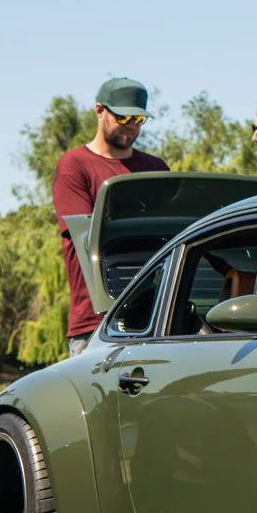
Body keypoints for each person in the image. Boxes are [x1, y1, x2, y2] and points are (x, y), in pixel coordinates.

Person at [54, 78, 170, 357]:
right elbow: (86, 238)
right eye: (123, 116)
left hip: (157, 316)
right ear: (99, 111)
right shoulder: (74, 166)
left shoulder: (155, 169)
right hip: (97, 322)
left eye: (139, 118)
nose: (132, 125)